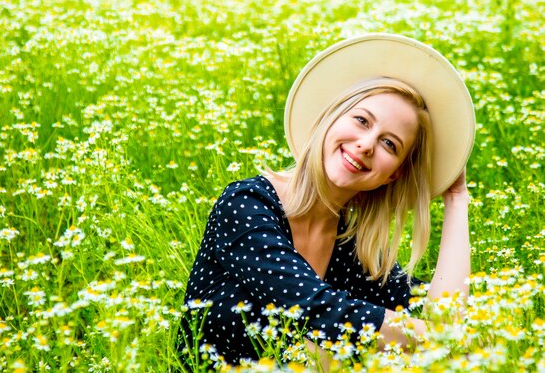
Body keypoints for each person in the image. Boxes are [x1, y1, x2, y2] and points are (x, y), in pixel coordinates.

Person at [176, 34, 475, 368]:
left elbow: (445, 315)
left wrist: (456, 198)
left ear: (394, 174)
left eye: (389, 144)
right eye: (361, 120)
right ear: (330, 117)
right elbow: (314, 309)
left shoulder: (349, 242)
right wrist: (437, 340)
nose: (365, 144)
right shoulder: (246, 204)